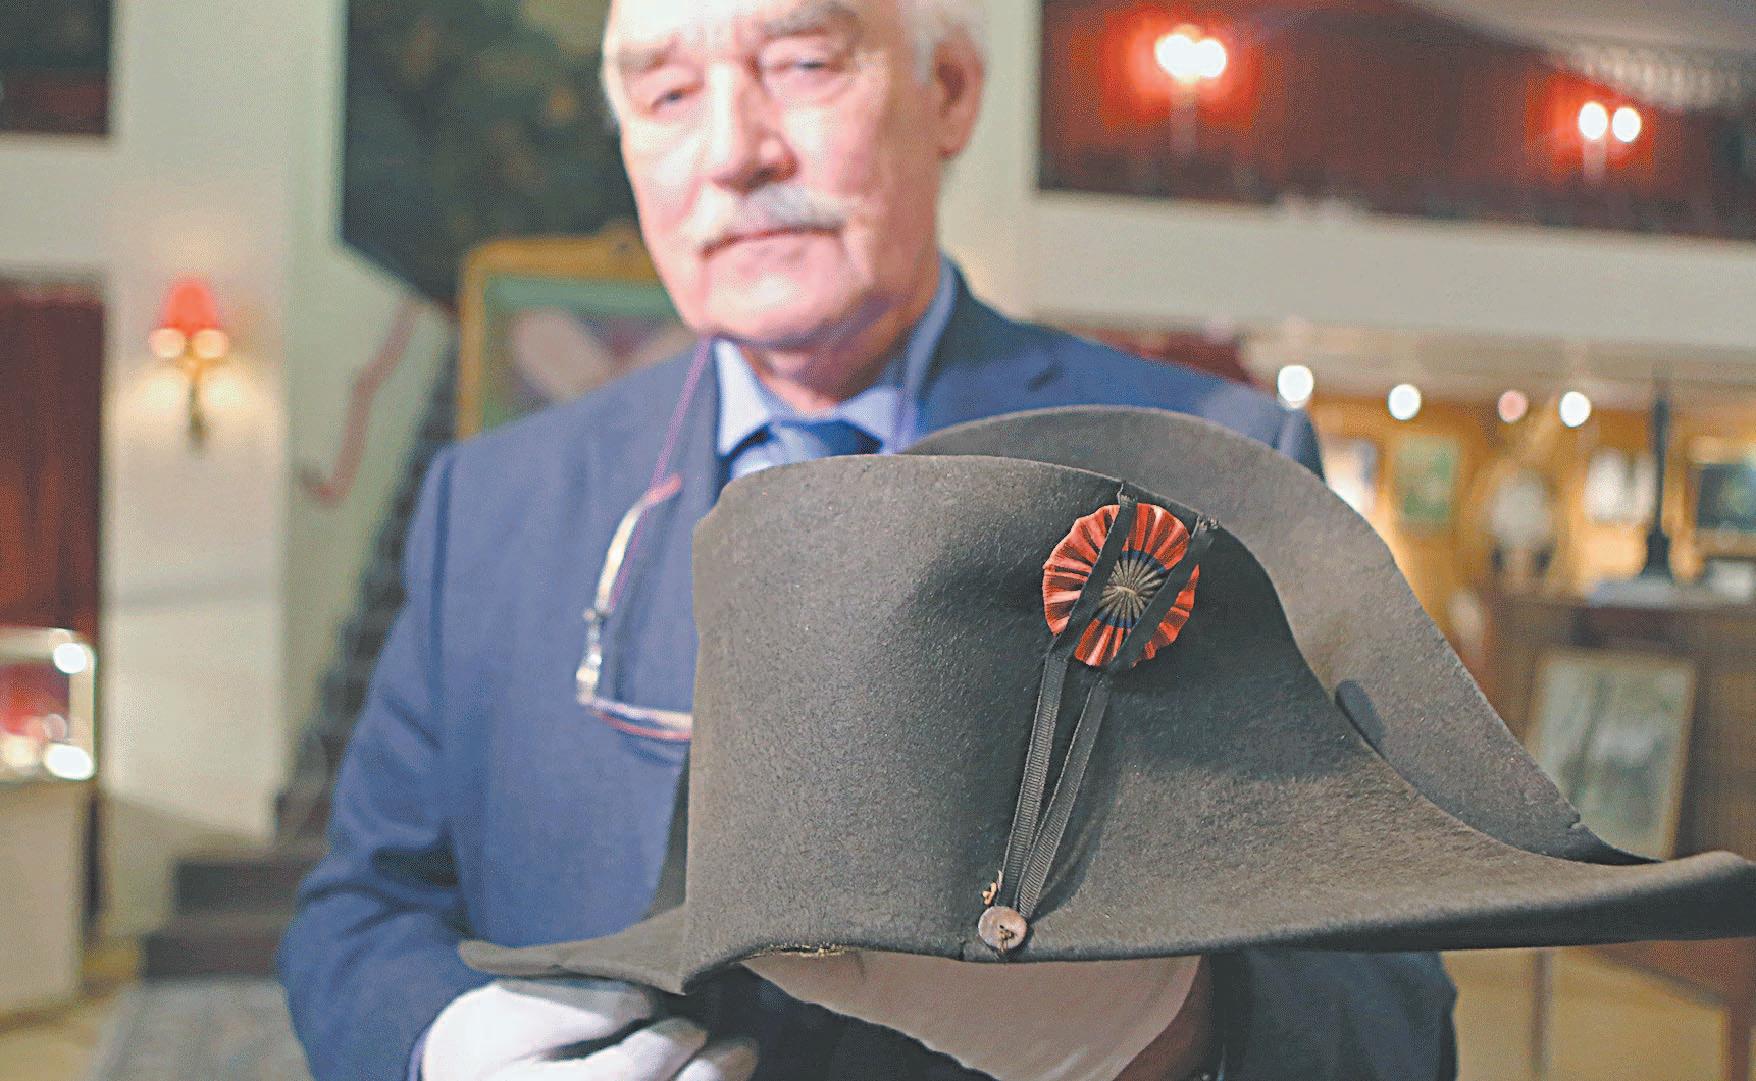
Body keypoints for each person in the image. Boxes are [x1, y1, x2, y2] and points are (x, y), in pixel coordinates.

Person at [278, 0, 1458, 1078]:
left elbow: (1391, 1014)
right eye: (667, 92)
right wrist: (441, 1041)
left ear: (949, 92)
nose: (733, 152)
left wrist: (1165, 1032)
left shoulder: (1204, 467)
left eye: (801, 64)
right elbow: (362, 908)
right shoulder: (493, 501)